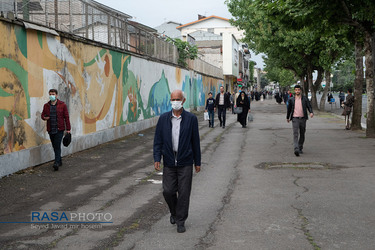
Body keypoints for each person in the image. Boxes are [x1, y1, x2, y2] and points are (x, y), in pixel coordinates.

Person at [153, 89, 201, 233]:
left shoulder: (191, 119)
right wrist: (157, 158)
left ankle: (181, 220)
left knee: (184, 193)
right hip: (168, 160)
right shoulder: (163, 119)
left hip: (185, 161)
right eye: (173, 99)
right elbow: (158, 140)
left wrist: (197, 161)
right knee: (168, 191)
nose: (175, 102)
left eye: (177, 99)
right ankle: (174, 212)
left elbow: (195, 142)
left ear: (183, 101)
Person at [41, 89, 71, 171]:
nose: (51, 95)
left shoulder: (62, 105)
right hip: (51, 129)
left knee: (57, 145)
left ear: (57, 95)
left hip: (59, 129)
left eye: (53, 94)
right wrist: (44, 117)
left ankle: (56, 163)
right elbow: (42, 115)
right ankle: (59, 160)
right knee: (54, 145)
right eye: (50, 94)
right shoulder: (46, 105)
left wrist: (68, 129)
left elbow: (66, 117)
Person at [286, 85, 314, 156]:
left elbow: (309, 106)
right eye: (296, 90)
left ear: (300, 90)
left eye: (298, 90)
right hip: (295, 118)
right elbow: (289, 109)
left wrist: (311, 112)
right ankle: (296, 148)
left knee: (302, 133)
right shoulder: (291, 99)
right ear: (294, 91)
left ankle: (300, 147)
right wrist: (288, 117)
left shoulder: (304, 99)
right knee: (295, 133)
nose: (297, 91)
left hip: (303, 118)